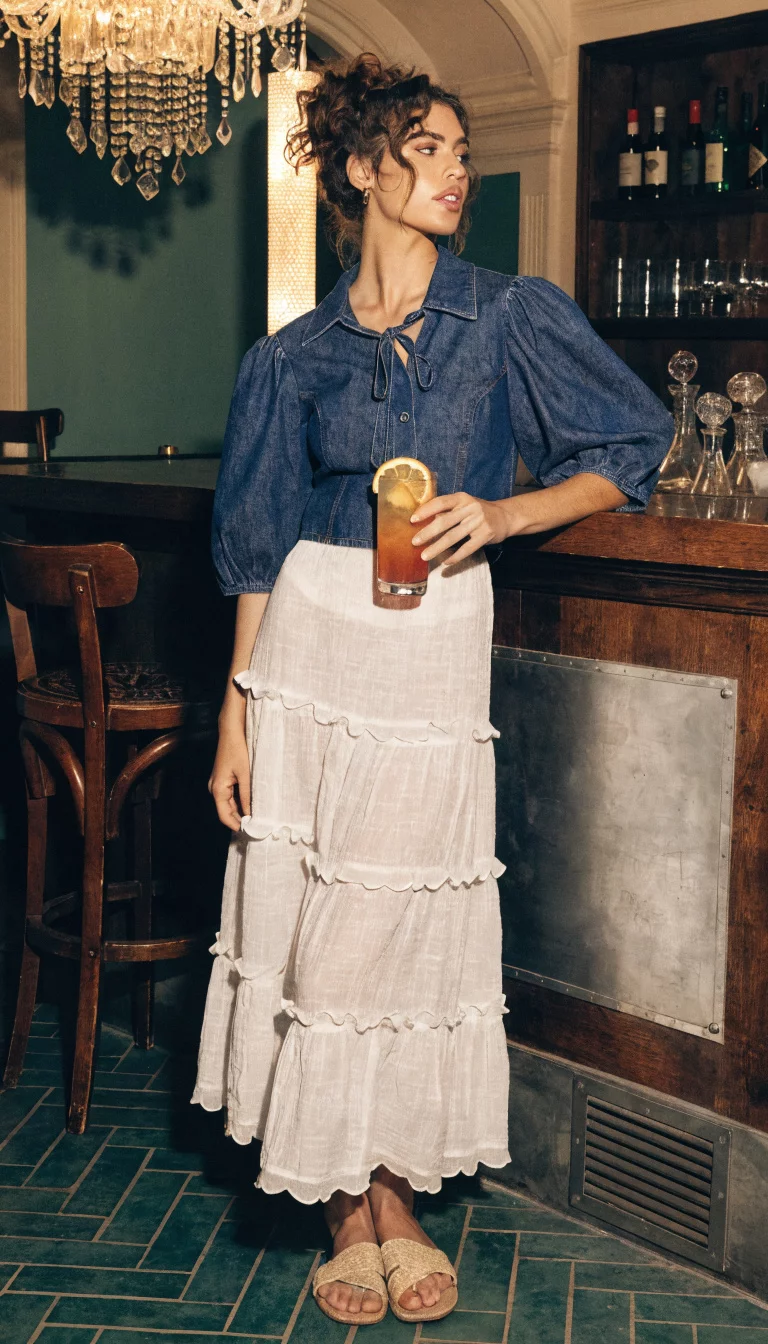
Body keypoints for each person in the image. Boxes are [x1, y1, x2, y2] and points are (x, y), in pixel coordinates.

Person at [191, 52, 673, 1327]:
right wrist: (238, 713)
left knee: (400, 930)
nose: (460, 170)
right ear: (364, 170)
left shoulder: (512, 316)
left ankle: (388, 1184)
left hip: (429, 654)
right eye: (431, 149)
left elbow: (635, 444)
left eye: (463, 151)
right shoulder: (291, 358)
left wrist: (509, 512)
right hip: (308, 650)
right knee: (314, 920)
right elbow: (254, 547)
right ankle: (356, 1205)